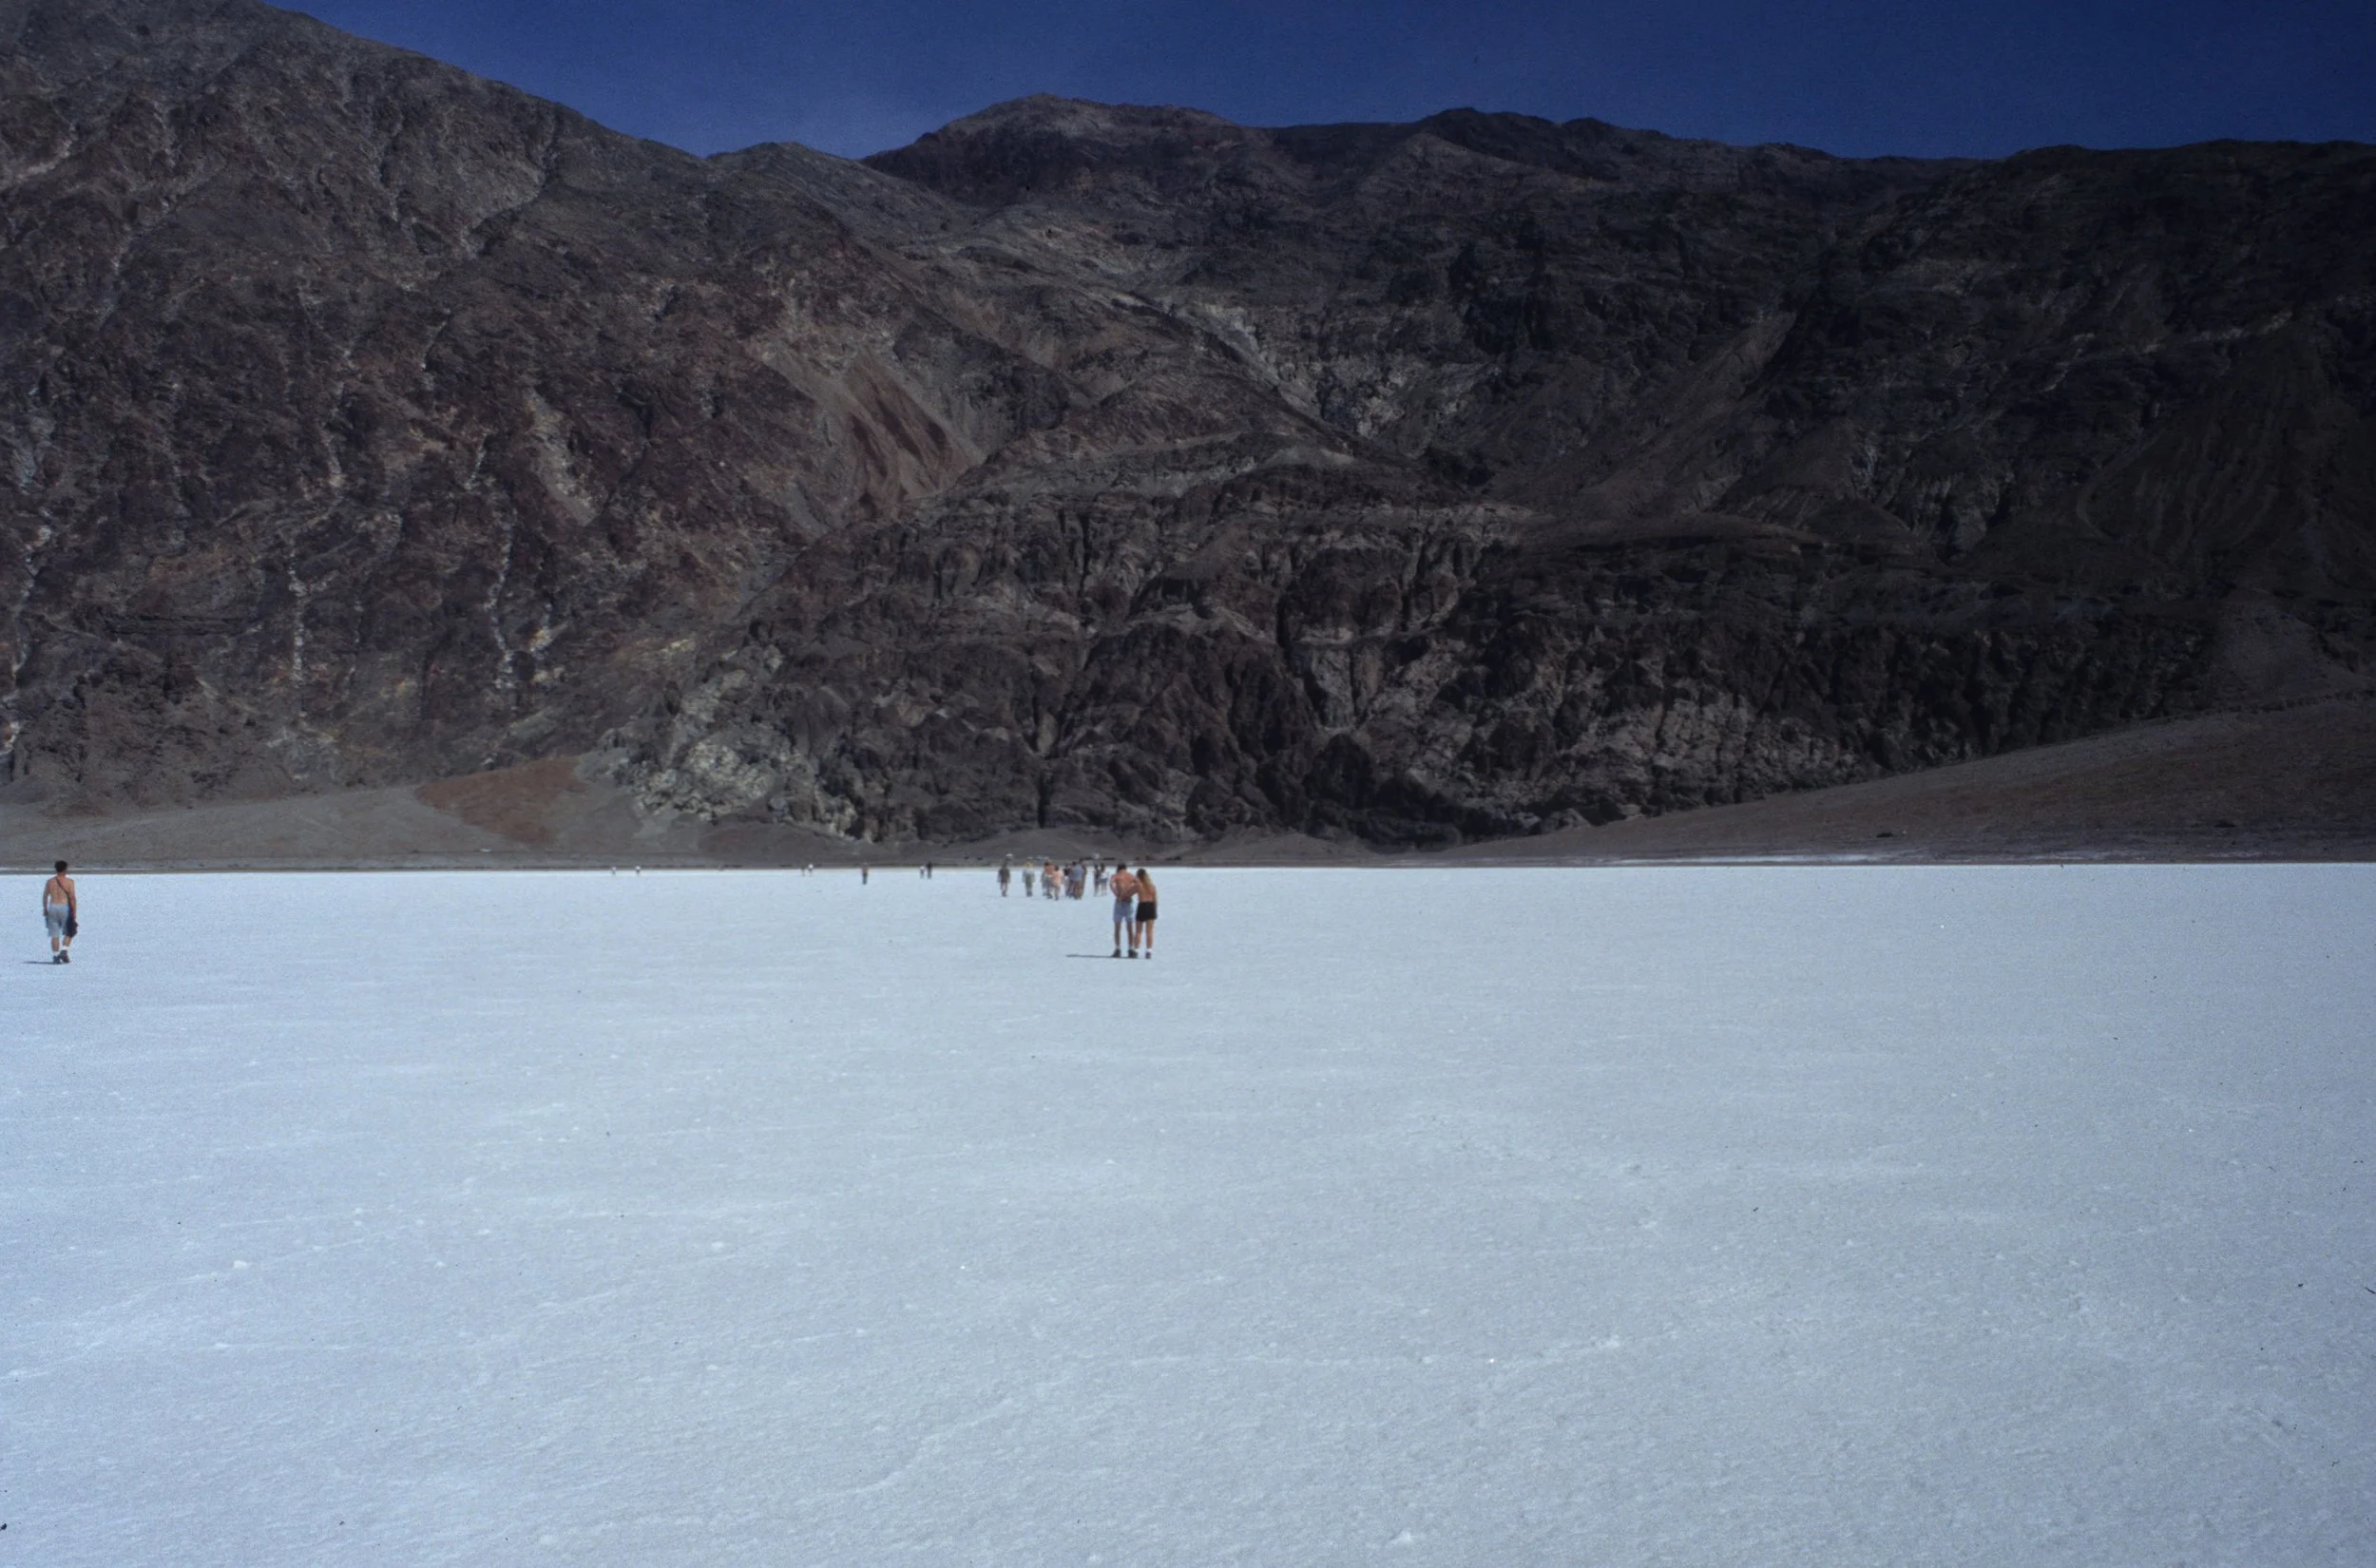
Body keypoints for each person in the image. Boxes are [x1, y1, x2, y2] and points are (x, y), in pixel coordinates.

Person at [43, 859, 75, 964]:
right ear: (65, 869)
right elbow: (72, 897)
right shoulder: (69, 882)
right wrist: (74, 911)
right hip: (64, 907)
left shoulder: (50, 881)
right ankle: (64, 950)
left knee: (54, 934)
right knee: (70, 930)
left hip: (52, 906)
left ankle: (56, 956)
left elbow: (45, 896)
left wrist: (45, 909)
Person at [1108, 866, 1139, 957]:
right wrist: (1131, 893)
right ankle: (1131, 949)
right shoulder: (1130, 876)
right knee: (1130, 927)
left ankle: (1118, 948)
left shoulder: (1116, 876)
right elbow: (1139, 884)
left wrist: (1116, 894)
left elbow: (1111, 884)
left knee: (1117, 927)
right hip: (1128, 901)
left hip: (1119, 901)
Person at [1132, 867, 1158, 959]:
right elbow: (1155, 900)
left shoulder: (1139, 886)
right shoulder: (1152, 886)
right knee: (1149, 931)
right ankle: (1149, 951)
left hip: (1142, 906)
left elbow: (1129, 892)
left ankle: (1136, 950)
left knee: (1138, 931)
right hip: (1151, 906)